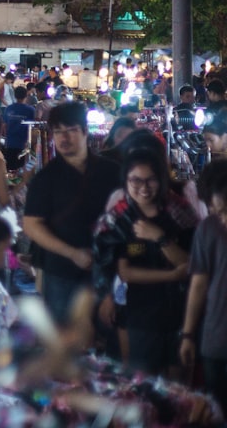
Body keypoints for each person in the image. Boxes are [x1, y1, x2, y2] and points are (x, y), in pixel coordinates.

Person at [92, 130, 196, 377]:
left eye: (150, 180)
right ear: (126, 181)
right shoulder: (118, 218)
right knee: (143, 382)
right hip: (139, 315)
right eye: (135, 181)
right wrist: (172, 275)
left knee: (179, 386)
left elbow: (192, 264)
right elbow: (125, 272)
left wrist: (158, 238)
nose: (143, 188)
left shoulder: (181, 213)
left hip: (181, 313)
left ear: (161, 178)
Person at [23, 100, 121, 328]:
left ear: (85, 132)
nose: (64, 138)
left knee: (110, 337)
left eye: (71, 131)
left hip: (109, 269)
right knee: (65, 340)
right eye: (58, 132)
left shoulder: (112, 171)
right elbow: (32, 225)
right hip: (60, 271)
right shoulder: (45, 178)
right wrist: (72, 253)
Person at [181, 174, 227, 413]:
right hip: (217, 340)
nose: (223, 220)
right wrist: (188, 334)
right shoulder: (209, 228)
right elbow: (198, 284)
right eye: (219, 212)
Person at [2, 86, 35, 171]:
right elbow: (34, 129)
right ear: (26, 95)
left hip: (10, 144)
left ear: (15, 96)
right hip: (24, 146)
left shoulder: (8, 109)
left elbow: (4, 126)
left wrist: (6, 140)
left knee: (10, 170)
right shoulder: (31, 110)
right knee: (22, 171)